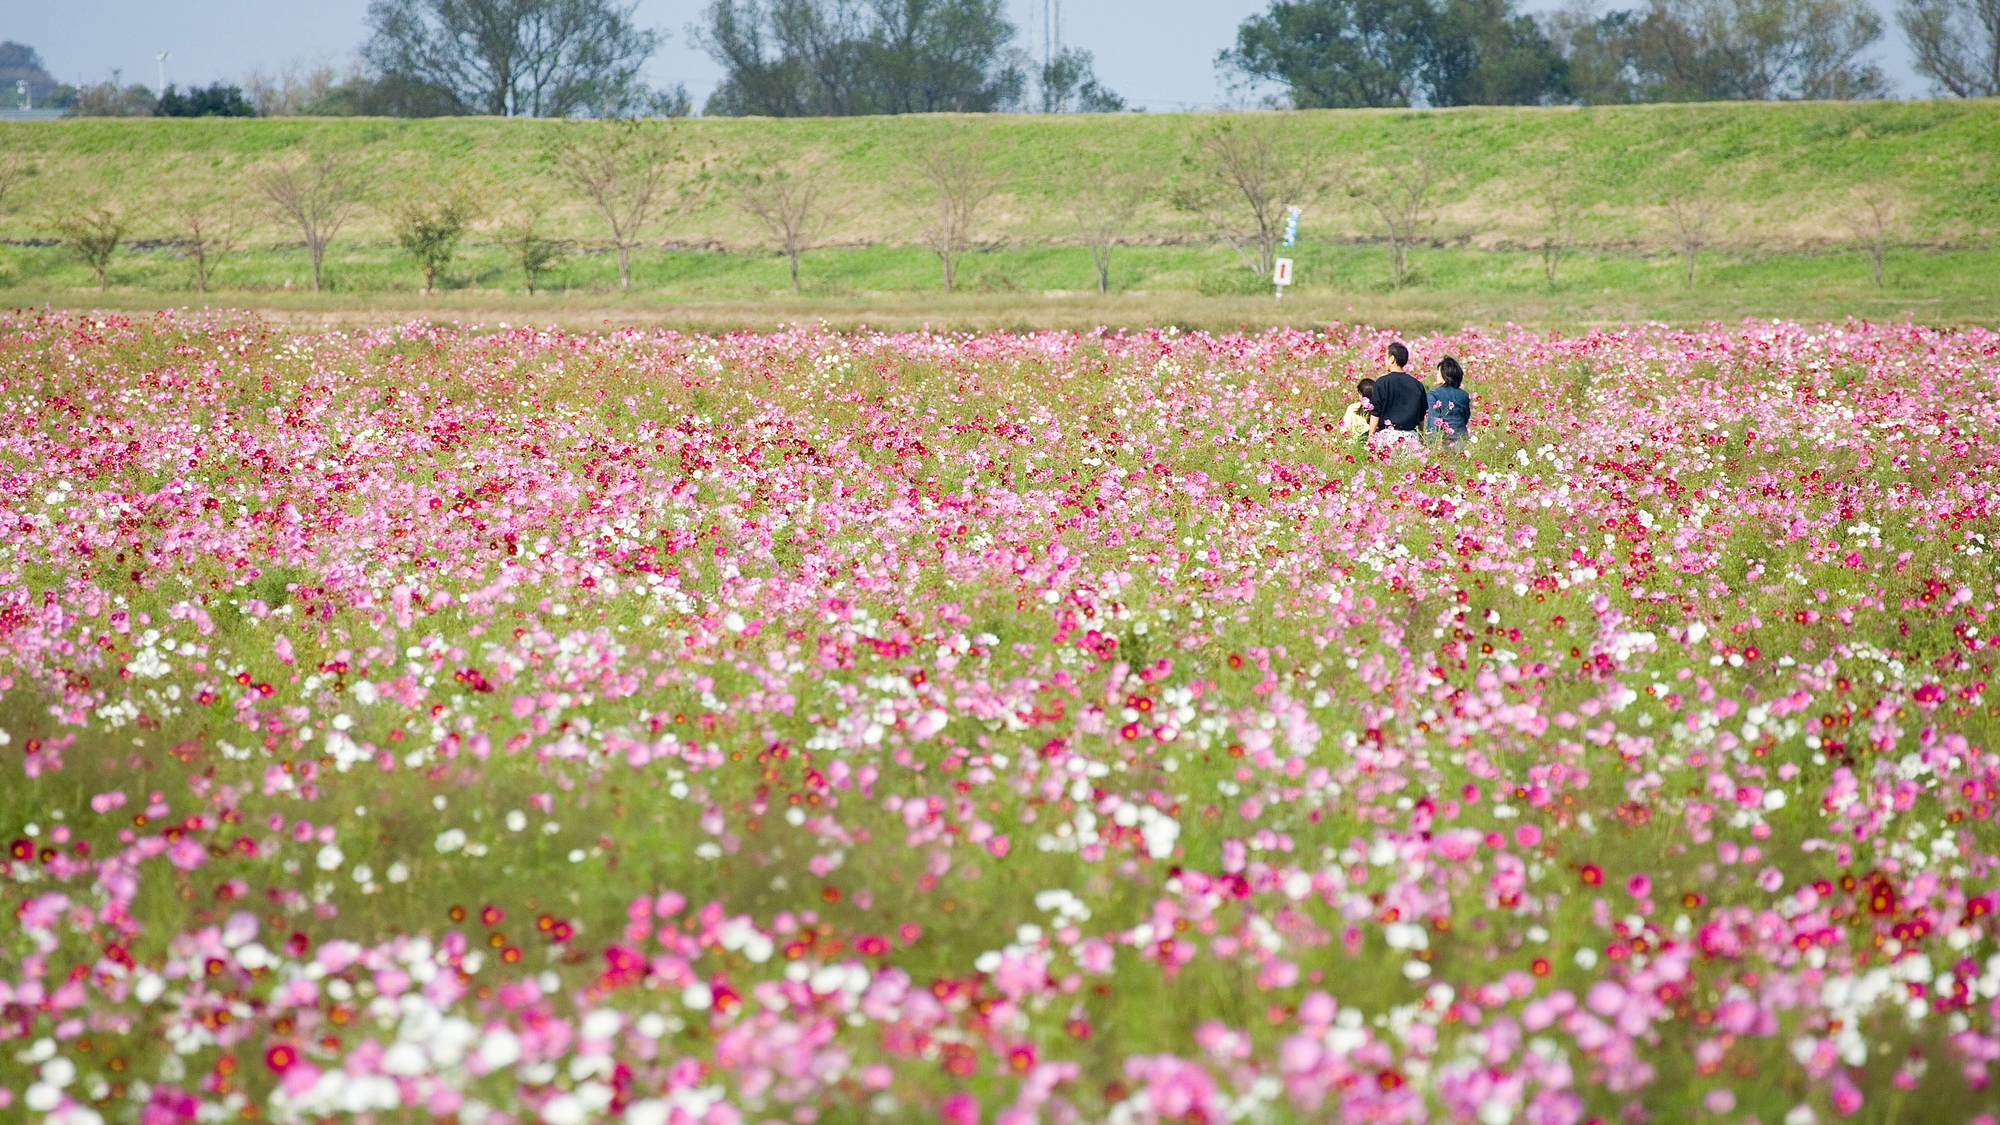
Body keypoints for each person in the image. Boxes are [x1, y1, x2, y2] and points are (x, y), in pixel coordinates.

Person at [1368, 343, 1427, 449]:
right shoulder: (1417, 385)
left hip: (1387, 437)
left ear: (1392, 359)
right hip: (1411, 438)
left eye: (1386, 357)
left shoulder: (1382, 383)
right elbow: (1421, 416)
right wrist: (1421, 437)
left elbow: (1375, 412)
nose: (1384, 360)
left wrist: (1371, 436)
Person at [1427, 356, 1473, 446]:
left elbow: (1434, 419)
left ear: (1445, 374)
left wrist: (1431, 443)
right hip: (1461, 437)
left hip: (1443, 439)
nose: (1436, 375)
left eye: (1438, 372)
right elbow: (1466, 416)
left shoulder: (1434, 394)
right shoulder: (1464, 394)